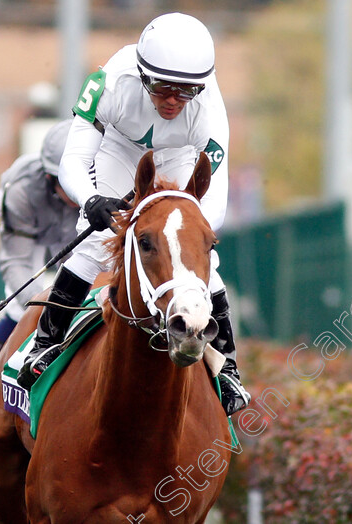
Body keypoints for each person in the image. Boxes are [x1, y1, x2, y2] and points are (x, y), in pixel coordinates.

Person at [16, 12, 251, 417]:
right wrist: (91, 200)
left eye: (187, 90)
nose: (173, 100)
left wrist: (194, 233)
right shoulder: (110, 83)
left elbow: (215, 202)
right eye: (162, 87)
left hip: (180, 157)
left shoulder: (209, 112)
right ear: (143, 77)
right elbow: (75, 159)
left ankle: (226, 367)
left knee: (198, 255)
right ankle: (45, 345)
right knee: (92, 244)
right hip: (120, 149)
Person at [0, 119, 79, 436]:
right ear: (50, 176)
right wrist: (45, 304)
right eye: (64, 181)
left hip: (80, 237)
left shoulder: (102, 181)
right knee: (26, 300)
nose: (72, 189)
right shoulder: (22, 190)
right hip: (32, 240)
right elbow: (18, 264)